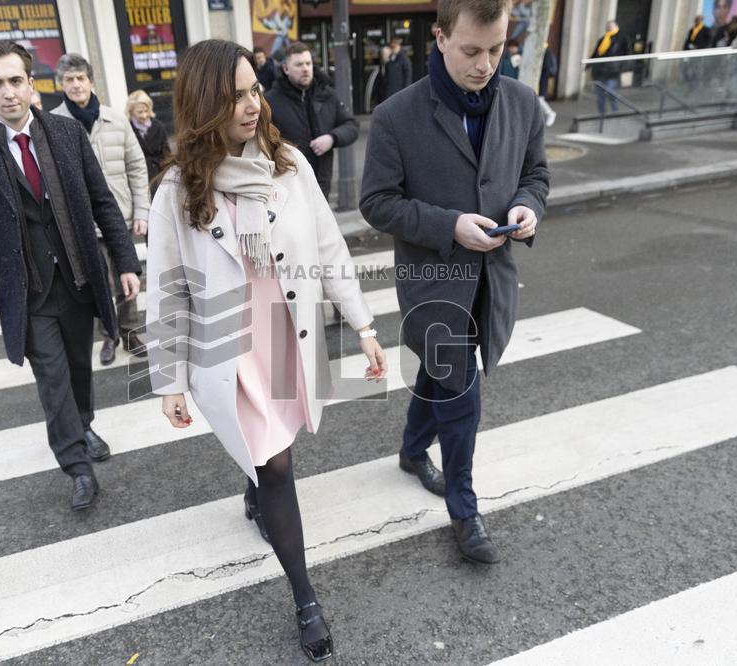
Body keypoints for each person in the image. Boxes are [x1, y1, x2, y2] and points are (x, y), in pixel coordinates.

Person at [146, 39, 387, 662]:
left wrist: (363, 326)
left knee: (269, 455)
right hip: (228, 350)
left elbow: (330, 250)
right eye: (235, 95)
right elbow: (169, 291)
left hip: (286, 337)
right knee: (277, 466)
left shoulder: (288, 165)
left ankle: (253, 489)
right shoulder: (178, 190)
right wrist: (168, 379)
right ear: (205, 104)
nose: (252, 104)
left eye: (255, 88)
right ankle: (305, 596)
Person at [360, 0, 549, 565]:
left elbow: (536, 174)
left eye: (497, 49)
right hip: (433, 282)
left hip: (493, 281)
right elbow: (375, 202)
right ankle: (465, 509)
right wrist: (449, 226)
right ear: (440, 37)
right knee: (462, 393)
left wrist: (526, 206)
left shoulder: (521, 101)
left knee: (445, 380)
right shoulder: (395, 115)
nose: (486, 64)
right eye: (472, 50)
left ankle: (412, 448)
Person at [0, 41, 141, 511]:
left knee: (78, 366)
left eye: (15, 81)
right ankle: (76, 465)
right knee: (51, 377)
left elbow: (101, 202)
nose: (8, 92)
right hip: (25, 289)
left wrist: (127, 262)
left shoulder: (65, 133)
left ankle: (85, 422)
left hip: (76, 276)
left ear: (31, 83)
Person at [50, 54, 151, 366]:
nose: (76, 84)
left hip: (119, 215)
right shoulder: (53, 124)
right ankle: (109, 334)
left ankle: (131, 332)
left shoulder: (116, 120)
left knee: (128, 276)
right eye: (69, 79)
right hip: (80, 222)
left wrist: (141, 211)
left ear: (91, 81)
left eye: (81, 78)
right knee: (99, 283)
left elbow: (136, 166)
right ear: (61, 84)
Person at [265, 41, 359, 199]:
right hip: (289, 185)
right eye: (299, 64)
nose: (305, 69)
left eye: (308, 63)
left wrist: (332, 138)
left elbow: (351, 125)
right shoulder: (270, 101)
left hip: (322, 183)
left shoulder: (327, 94)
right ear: (286, 69)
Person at [126, 89, 170, 195]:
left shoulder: (158, 126)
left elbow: (166, 153)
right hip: (139, 178)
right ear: (131, 111)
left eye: (146, 110)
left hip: (158, 176)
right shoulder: (127, 128)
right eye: (140, 112)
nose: (144, 115)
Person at [588, 20, 630, 115]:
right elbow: (596, 53)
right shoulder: (603, 39)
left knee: (612, 93)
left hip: (612, 72)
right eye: (607, 27)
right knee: (600, 96)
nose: (609, 28)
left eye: (611, 27)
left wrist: (622, 67)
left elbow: (627, 54)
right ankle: (602, 114)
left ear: (616, 27)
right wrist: (588, 64)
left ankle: (614, 113)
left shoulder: (622, 38)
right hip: (599, 71)